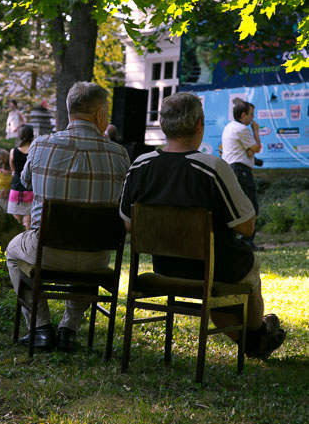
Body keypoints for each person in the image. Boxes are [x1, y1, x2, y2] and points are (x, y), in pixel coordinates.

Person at [120, 92, 285, 360]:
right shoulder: (213, 168)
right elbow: (246, 227)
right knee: (245, 264)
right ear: (199, 125)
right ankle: (256, 338)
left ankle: (257, 339)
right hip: (215, 268)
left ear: (163, 125)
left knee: (216, 274)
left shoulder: (140, 165)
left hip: (165, 268)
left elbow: (128, 224)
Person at [6, 82, 130, 352]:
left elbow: (25, 182)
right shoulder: (120, 155)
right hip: (96, 257)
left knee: (12, 252)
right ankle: (68, 330)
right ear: (99, 114)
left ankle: (40, 328)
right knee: (87, 250)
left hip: (47, 250)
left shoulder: (41, 145)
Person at [222, 98, 262, 251]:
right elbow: (257, 148)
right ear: (243, 115)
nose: (253, 118)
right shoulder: (242, 129)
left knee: (234, 206)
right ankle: (247, 243)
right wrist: (256, 131)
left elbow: (250, 150)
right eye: (251, 115)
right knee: (251, 206)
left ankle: (236, 241)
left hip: (232, 170)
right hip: (241, 171)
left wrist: (251, 150)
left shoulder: (230, 127)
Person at [7, 124, 34, 230]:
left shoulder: (13, 151)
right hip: (30, 189)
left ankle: (14, 244)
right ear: (32, 136)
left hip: (16, 189)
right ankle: (26, 245)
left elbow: (13, 170)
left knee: (15, 221)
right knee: (28, 221)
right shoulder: (34, 151)